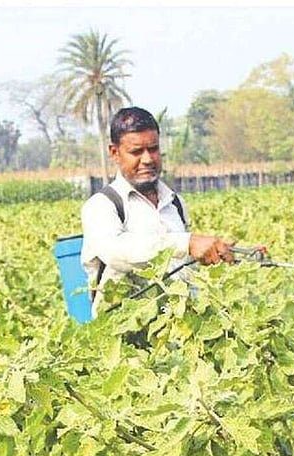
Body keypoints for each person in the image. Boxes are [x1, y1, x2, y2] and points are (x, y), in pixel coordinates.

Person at [81, 106, 236, 317]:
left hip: (179, 330)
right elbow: (117, 252)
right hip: (126, 338)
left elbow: (184, 268)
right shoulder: (102, 206)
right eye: (136, 152)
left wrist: (223, 254)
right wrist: (186, 243)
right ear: (114, 153)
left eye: (153, 149)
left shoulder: (175, 203)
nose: (147, 159)